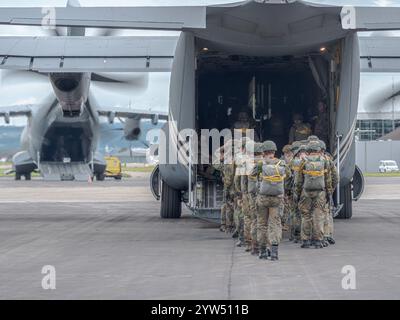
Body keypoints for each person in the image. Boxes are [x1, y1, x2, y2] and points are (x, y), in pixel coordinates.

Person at [251, 140, 291, 261]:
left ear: (263, 152)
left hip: (262, 198)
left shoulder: (260, 164)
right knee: (275, 224)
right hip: (277, 199)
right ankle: (274, 252)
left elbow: (252, 175)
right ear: (274, 151)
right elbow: (288, 175)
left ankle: (263, 251)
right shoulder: (281, 163)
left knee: (262, 224)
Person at [295, 141, 331, 249]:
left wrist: (297, 193)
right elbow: (328, 178)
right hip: (320, 192)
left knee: (305, 215)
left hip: (306, 192)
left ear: (308, 151)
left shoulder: (303, 161)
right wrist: (329, 191)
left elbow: (298, 179)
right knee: (318, 216)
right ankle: (318, 240)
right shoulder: (324, 161)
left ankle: (305, 240)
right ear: (318, 150)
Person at [319, 140, 339, 246]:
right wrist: (331, 189)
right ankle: (328, 234)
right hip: (326, 190)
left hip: (314, 191)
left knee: (316, 214)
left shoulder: (310, 161)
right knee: (327, 213)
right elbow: (336, 177)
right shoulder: (328, 160)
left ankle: (319, 235)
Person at [245, 142, 263, 255]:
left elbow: (241, 181)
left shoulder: (246, 163)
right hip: (264, 194)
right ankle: (264, 246)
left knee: (253, 219)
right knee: (264, 221)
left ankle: (253, 245)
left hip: (251, 195)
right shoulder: (266, 162)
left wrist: (242, 193)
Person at [214, 140, 236, 233]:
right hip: (238, 187)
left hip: (229, 187)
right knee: (237, 206)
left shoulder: (226, 163)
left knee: (227, 205)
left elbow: (215, 163)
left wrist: (223, 147)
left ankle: (226, 225)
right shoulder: (240, 161)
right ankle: (233, 226)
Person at [288, 142, 308, 243]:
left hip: (295, 190)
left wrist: (287, 191)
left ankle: (295, 234)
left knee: (294, 212)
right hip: (306, 191)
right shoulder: (308, 163)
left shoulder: (293, 162)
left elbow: (288, 177)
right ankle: (305, 235)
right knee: (306, 214)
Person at [281, 144, 294, 232]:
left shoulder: (284, 162)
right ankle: (284, 224)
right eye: (286, 154)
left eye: (289, 154)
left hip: (288, 187)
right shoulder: (283, 163)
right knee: (286, 206)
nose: (288, 156)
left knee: (288, 206)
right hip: (286, 188)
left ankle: (286, 223)